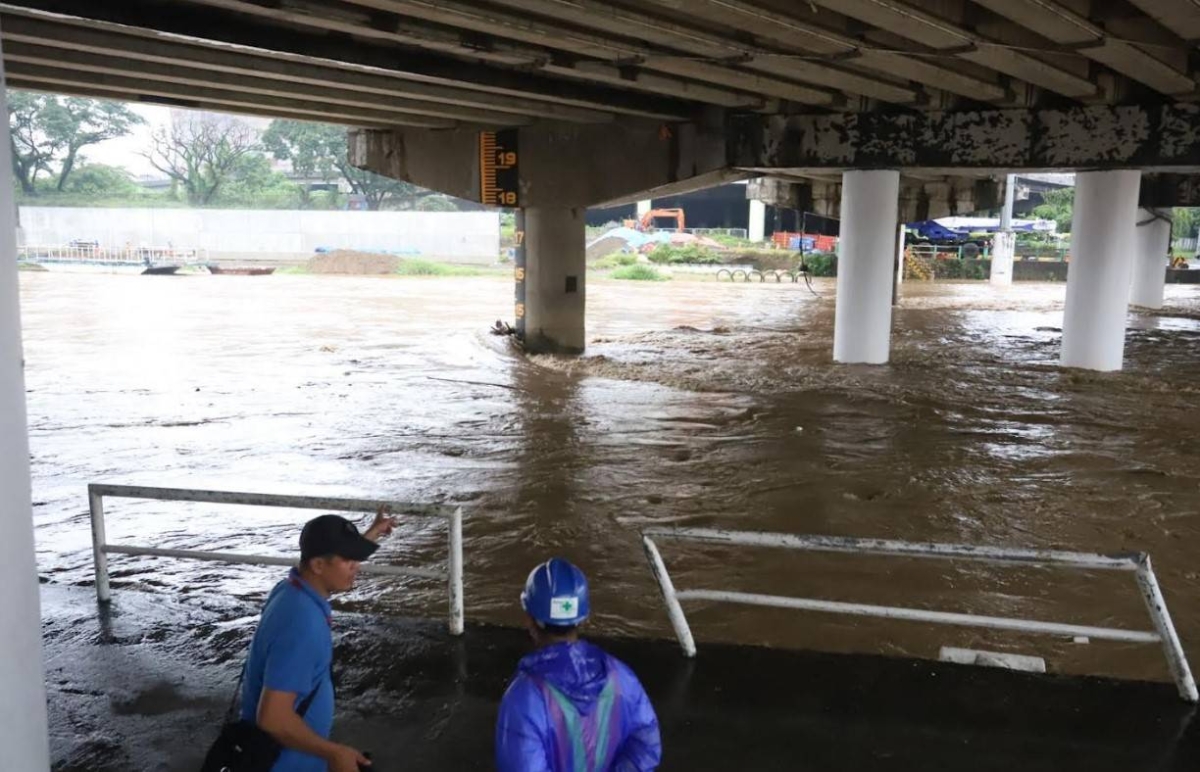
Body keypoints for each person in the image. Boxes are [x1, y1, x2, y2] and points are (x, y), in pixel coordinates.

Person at [241, 509, 396, 772]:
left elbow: (337, 556)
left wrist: (372, 533)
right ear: (318, 565)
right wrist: (335, 754)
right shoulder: (302, 622)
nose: (356, 565)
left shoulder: (290, 589)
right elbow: (272, 718)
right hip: (285, 763)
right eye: (348, 559)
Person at [495, 558, 662, 772]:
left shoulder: (524, 698)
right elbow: (646, 743)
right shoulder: (621, 676)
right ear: (582, 618)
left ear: (530, 620)